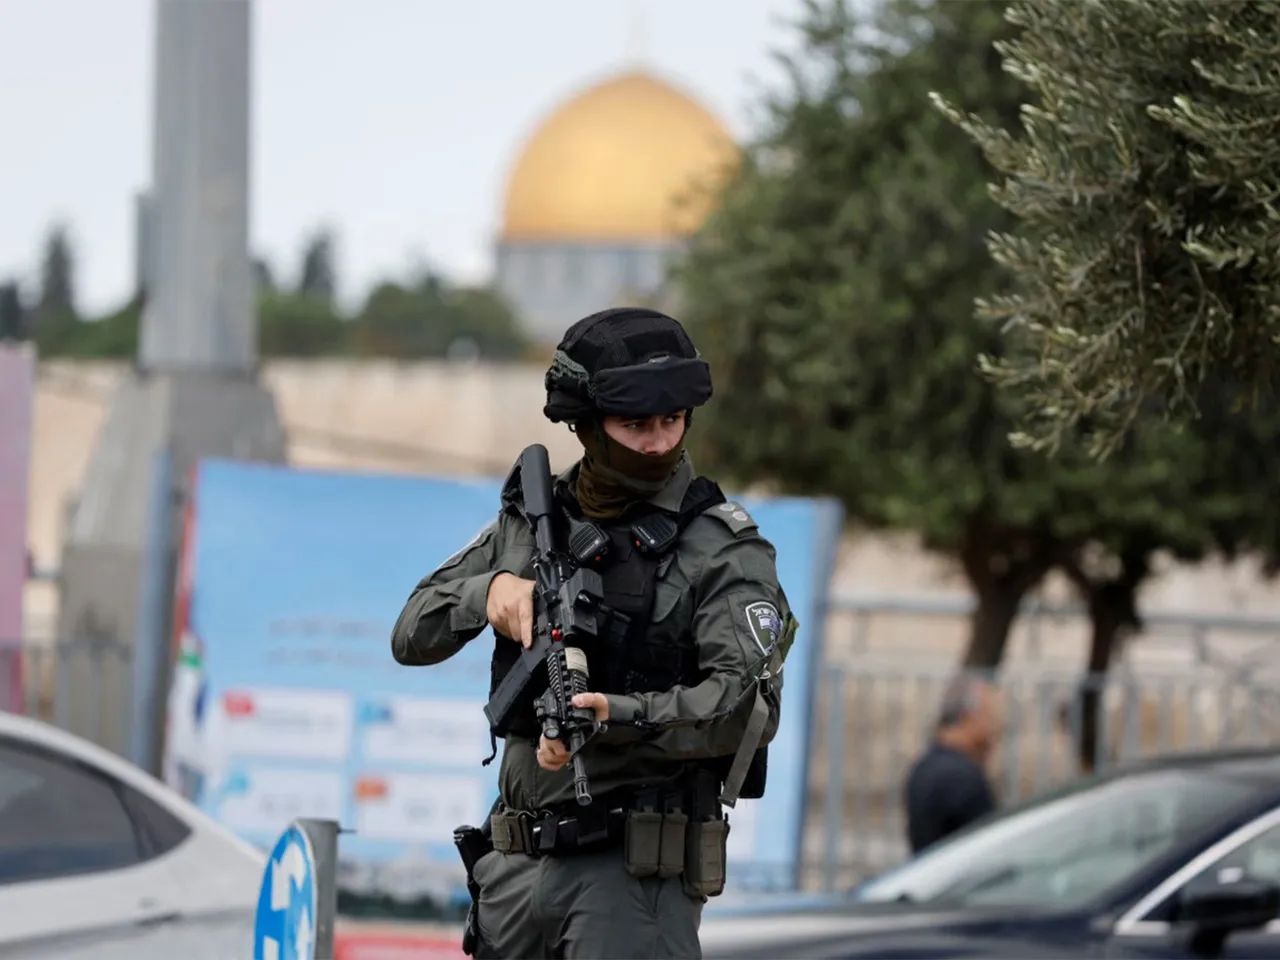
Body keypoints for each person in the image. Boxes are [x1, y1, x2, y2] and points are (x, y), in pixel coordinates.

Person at [391, 307, 797, 959]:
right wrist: (487, 594)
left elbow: (744, 708)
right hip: (514, 872)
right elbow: (412, 633)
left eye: (672, 420)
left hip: (628, 883)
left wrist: (616, 716)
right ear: (585, 423)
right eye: (636, 425)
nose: (658, 442)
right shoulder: (532, 521)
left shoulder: (721, 547)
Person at [903, 671, 1000, 855]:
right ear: (968, 716)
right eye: (987, 715)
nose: (993, 725)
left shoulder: (922, 768)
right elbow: (988, 850)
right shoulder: (964, 778)